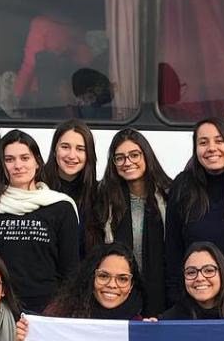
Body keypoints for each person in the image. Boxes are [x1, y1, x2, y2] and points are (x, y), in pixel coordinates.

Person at [0, 130, 79, 314]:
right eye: (9, 159)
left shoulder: (61, 206)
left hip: (47, 310)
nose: (18, 165)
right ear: (2, 165)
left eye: (25, 158)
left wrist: (59, 309)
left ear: (37, 162)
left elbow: (70, 269)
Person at [164, 117, 224, 304]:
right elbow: (173, 251)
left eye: (219, 141)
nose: (211, 148)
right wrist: (176, 304)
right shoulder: (182, 186)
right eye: (203, 142)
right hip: (194, 302)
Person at [99, 129, 171, 317]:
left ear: (146, 155)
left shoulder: (169, 195)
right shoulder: (104, 199)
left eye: (134, 155)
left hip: (162, 296)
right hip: (118, 296)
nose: (127, 162)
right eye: (120, 158)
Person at [40, 119, 102, 255]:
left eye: (80, 149)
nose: (71, 155)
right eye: (65, 147)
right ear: (55, 150)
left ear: (89, 154)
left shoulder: (97, 193)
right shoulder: (36, 188)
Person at [45, 243, 145, 320]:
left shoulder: (139, 325)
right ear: (90, 278)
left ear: (131, 285)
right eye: (103, 276)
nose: (112, 285)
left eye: (122, 279)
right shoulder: (60, 315)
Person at [161, 242, 224, 320]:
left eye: (209, 270)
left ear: (222, 273)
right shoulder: (170, 320)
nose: (200, 278)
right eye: (191, 272)